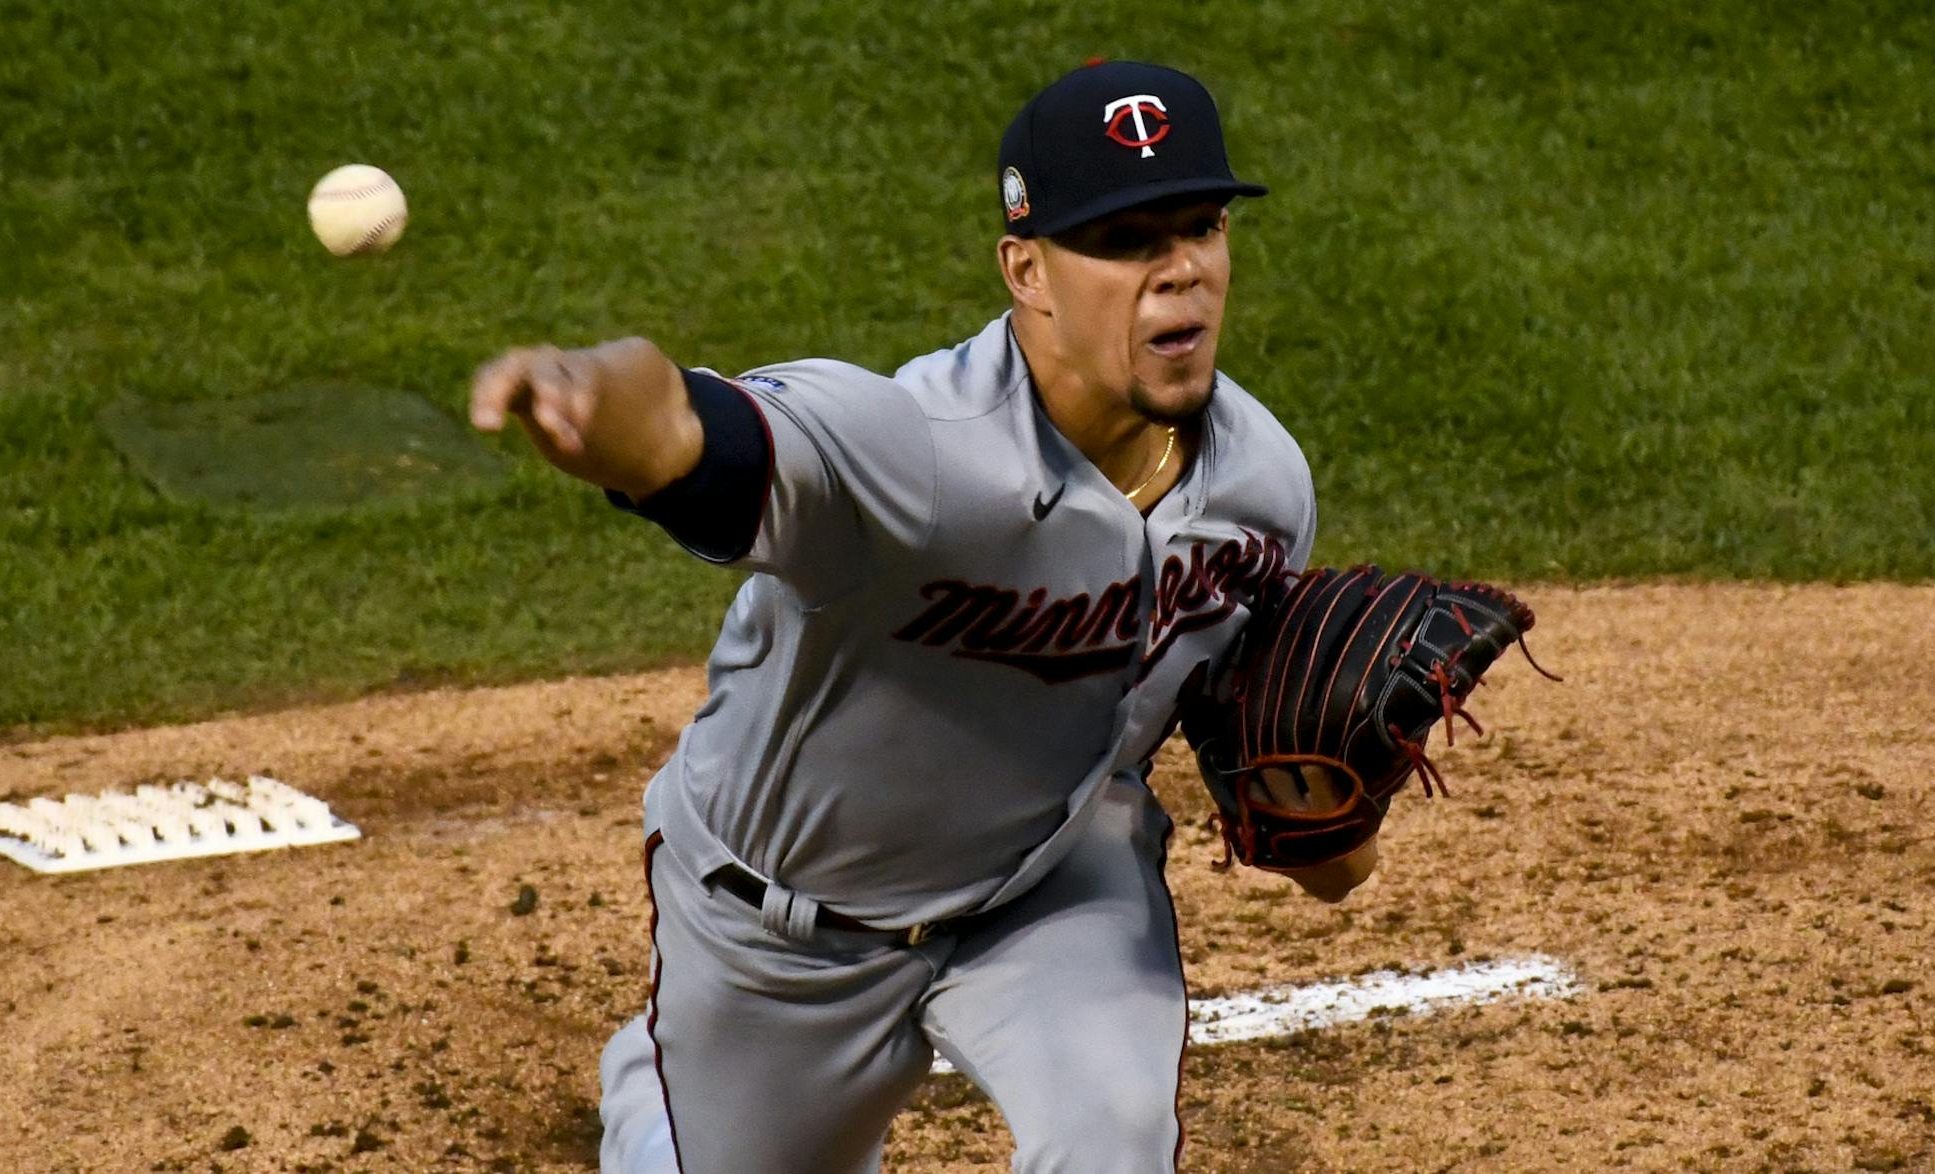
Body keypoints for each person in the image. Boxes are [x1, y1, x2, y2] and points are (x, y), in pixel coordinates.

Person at [470, 59, 1377, 1174]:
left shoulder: (1261, 489)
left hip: (1049, 893)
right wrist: (590, 395)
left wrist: (1332, 824)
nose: (1180, 271)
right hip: (788, 929)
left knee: (1113, 1138)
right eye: (1128, 240)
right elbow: (689, 430)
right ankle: (658, 1102)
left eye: (1200, 227)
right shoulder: (917, 451)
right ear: (1027, 269)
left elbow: (1305, 820)